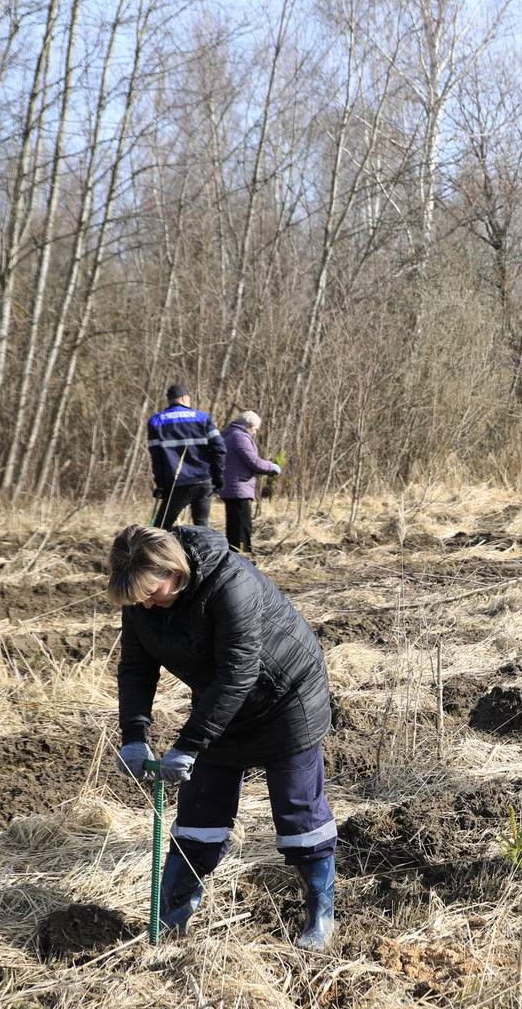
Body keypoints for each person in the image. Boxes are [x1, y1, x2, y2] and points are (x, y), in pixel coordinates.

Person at [108, 524, 337, 949]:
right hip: (221, 703)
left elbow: (239, 671)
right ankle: (172, 919)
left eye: (150, 591)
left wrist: (189, 745)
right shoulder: (142, 599)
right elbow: (137, 668)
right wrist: (134, 734)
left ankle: (321, 915)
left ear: (175, 573)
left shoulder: (232, 584)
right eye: (136, 595)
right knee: (200, 811)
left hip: (287, 699)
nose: (144, 602)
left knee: (297, 810)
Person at [148, 384, 227, 530]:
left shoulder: (156, 422)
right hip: (204, 480)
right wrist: (218, 476)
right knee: (203, 528)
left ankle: (159, 552)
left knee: (160, 528)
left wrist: (160, 484)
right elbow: (219, 449)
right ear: (184, 398)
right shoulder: (202, 418)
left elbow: (157, 458)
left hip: (176, 484)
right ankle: (203, 552)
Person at [218, 411, 281, 553]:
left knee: (235, 526)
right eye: (256, 429)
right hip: (238, 488)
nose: (256, 433)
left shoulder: (230, 435)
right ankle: (243, 556)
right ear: (250, 426)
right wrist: (272, 467)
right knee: (242, 527)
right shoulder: (239, 437)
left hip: (233, 487)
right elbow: (254, 462)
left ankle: (236, 555)